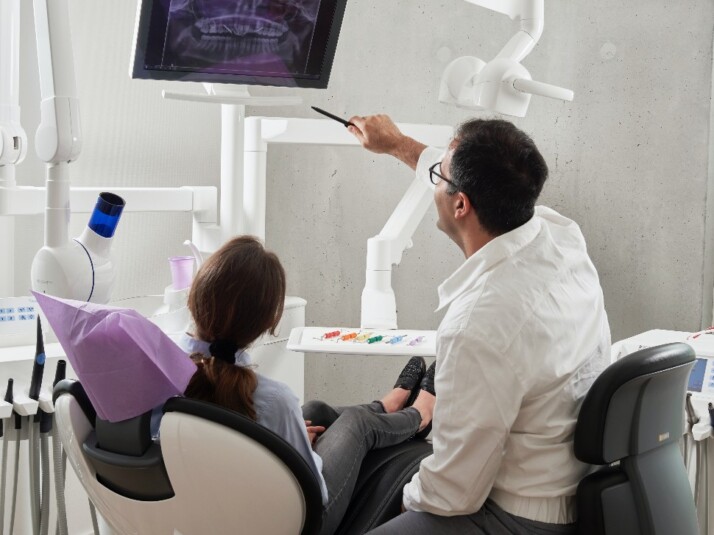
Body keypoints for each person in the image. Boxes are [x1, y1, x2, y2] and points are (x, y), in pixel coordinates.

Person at [345, 115, 611, 534]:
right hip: (563, 482)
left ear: (461, 205)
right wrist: (396, 143)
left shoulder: (479, 323)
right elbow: (463, 172)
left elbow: (452, 494)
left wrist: (400, 503)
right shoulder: (560, 235)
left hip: (513, 516)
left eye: (440, 175)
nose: (436, 174)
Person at [178, 235, 437, 535]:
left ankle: (387, 406)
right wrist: (303, 451)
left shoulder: (167, 372)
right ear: (267, 324)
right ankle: (419, 415)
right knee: (357, 424)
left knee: (315, 410)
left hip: (220, 514)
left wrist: (292, 440)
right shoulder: (274, 401)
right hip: (298, 523)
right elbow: (315, 491)